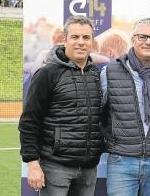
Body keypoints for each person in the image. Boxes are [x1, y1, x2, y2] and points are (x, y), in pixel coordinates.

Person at [18, 15, 104, 196]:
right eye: (75, 37)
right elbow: (29, 120)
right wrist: (32, 163)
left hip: (88, 168)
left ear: (92, 41)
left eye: (86, 37)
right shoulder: (47, 73)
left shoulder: (96, 74)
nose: (81, 42)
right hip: (56, 167)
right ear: (65, 39)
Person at [100, 18, 150, 196]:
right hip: (122, 160)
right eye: (142, 37)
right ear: (133, 39)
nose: (148, 42)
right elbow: (98, 113)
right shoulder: (110, 72)